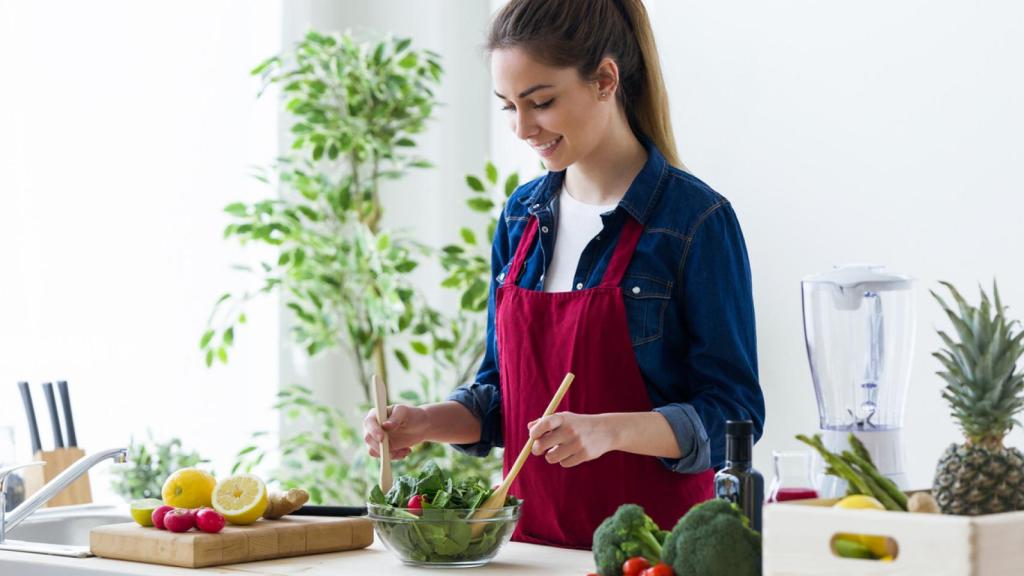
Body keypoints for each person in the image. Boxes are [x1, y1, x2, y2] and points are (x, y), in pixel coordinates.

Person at [363, 0, 764, 549]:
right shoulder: (520, 217)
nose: (523, 128)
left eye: (541, 102)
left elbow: (734, 415)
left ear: (605, 80)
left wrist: (610, 430)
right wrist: (427, 422)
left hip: (653, 552)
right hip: (530, 551)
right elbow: (501, 395)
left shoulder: (694, 222)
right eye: (508, 107)